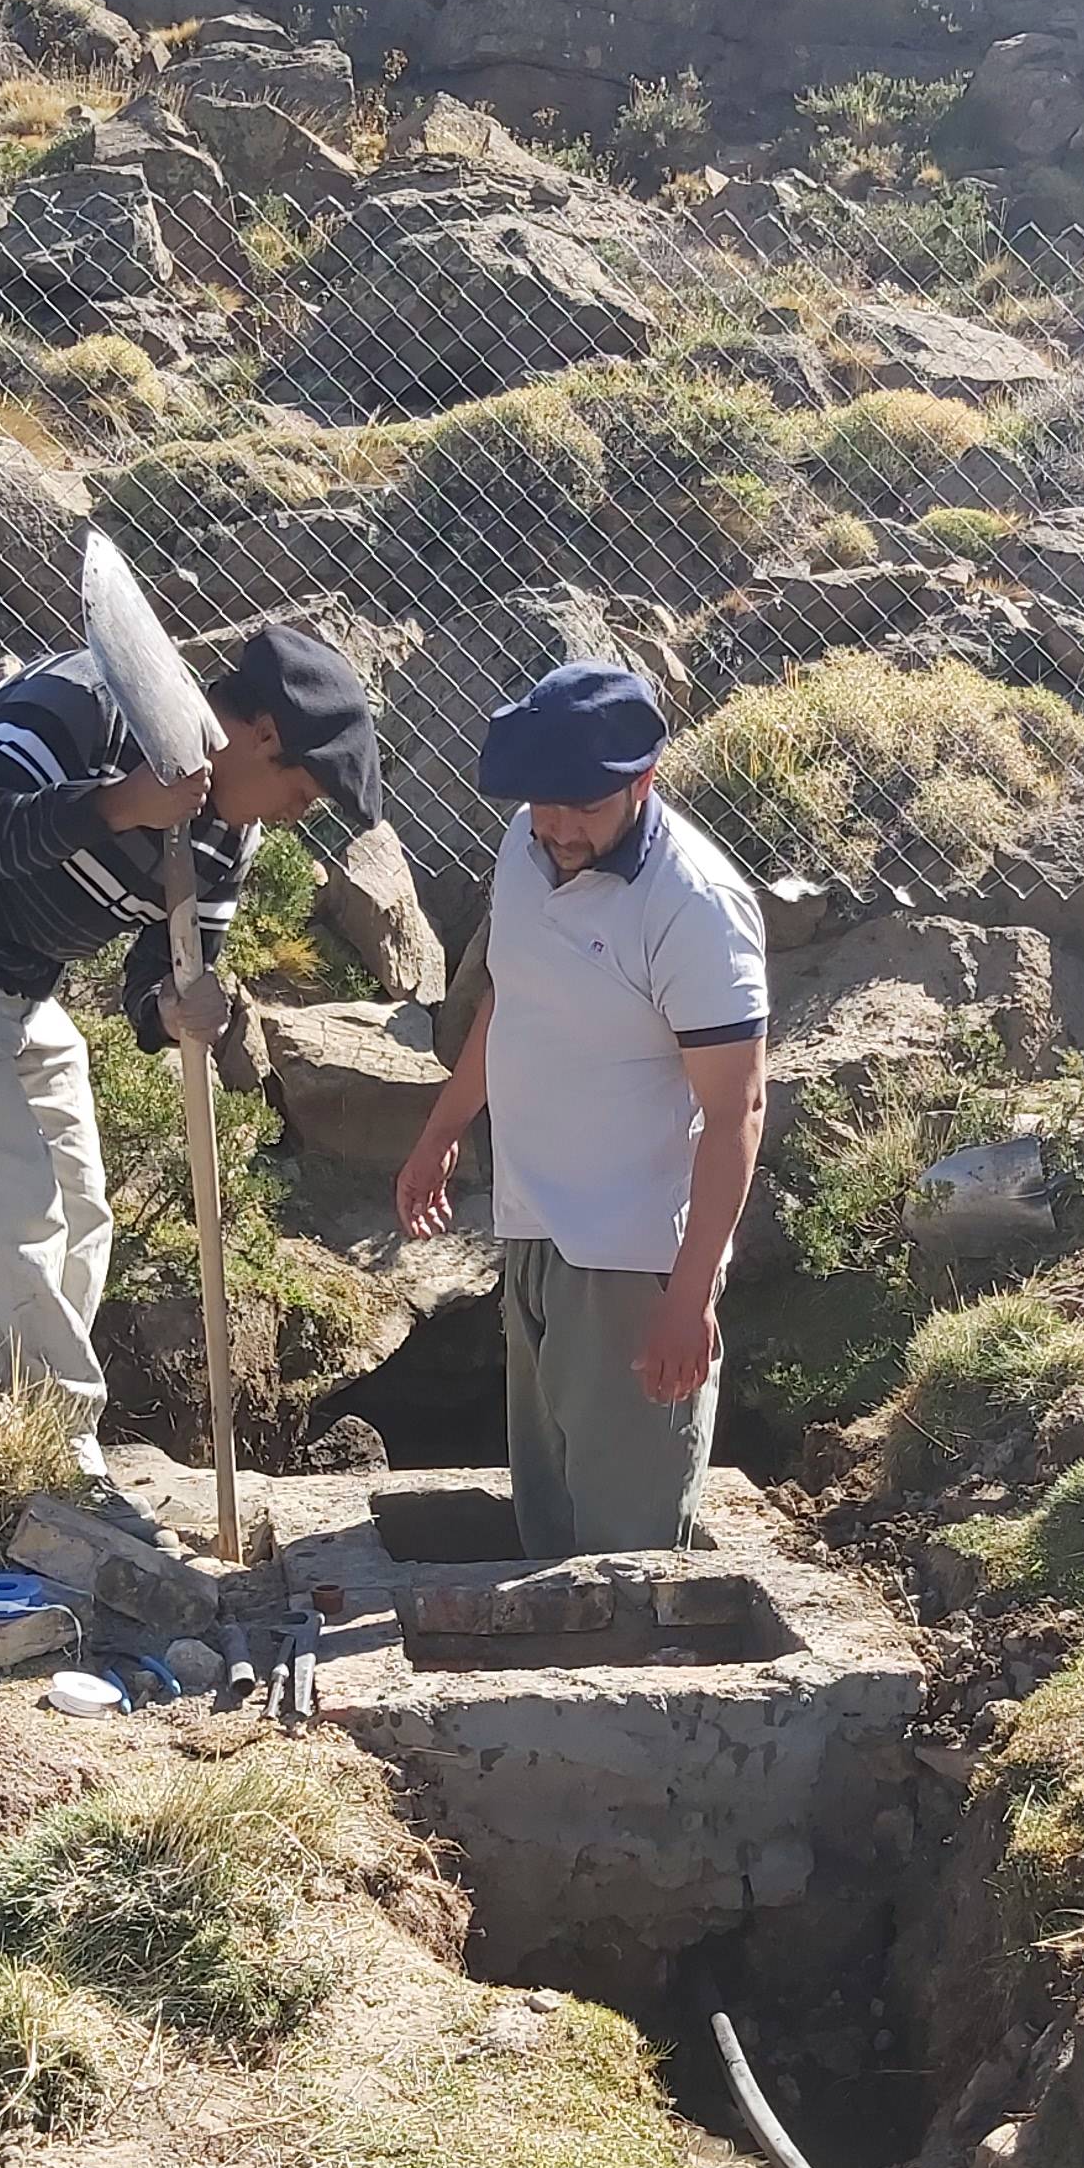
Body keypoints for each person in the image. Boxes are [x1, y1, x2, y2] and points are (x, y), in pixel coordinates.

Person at [0, 623, 378, 1483]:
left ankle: (27, 1426)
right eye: (299, 793)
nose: (293, 816)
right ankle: (57, 1464)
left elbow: (163, 975)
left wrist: (181, 1007)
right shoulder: (83, 703)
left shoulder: (227, 837)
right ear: (263, 737)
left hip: (14, 984)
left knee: (82, 1206)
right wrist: (119, 804)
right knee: (14, 1216)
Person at [393, 664, 768, 1559]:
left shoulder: (695, 910)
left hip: (632, 1263)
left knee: (626, 1548)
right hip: (531, 1230)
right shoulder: (528, 846)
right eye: (540, 802)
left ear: (644, 780)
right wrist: (443, 1130)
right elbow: (508, 1002)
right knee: (548, 1522)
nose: (556, 825)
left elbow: (737, 1112)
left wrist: (688, 1296)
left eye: (581, 807)